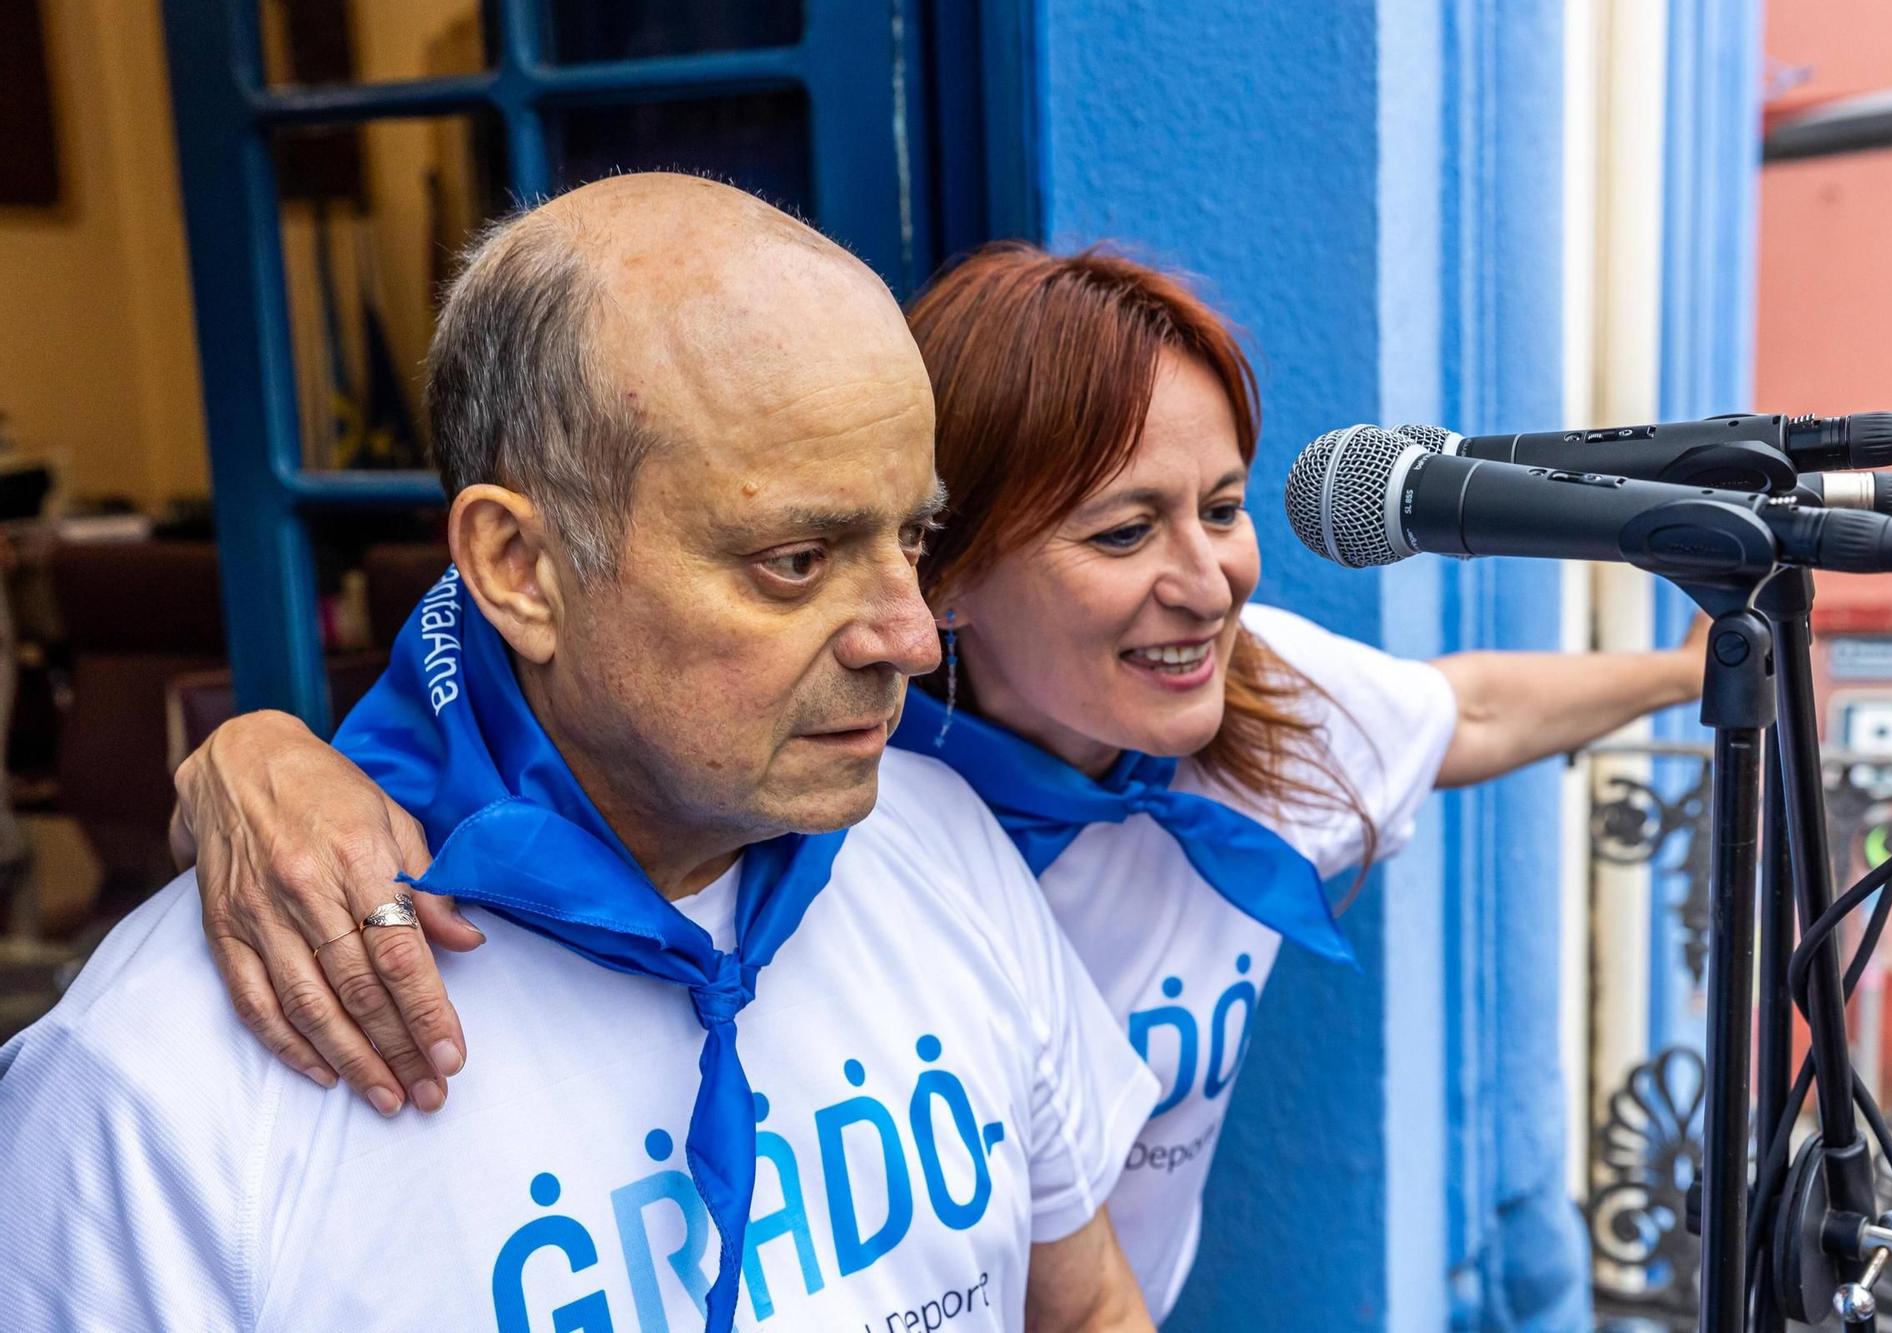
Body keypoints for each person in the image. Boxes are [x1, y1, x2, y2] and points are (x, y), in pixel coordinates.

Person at [169, 243, 1707, 1320]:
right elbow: (523, 707)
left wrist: (1708, 674)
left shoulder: (1258, 699)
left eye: (1225, 507)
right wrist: (250, 757)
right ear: (950, 573)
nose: (1206, 581)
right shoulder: (828, 771)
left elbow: (1468, 709)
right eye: (1120, 532)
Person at [0, 179, 1161, 1332]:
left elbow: (1088, 1306)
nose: (909, 638)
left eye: (910, 533)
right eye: (795, 560)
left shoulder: (935, 840)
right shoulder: (161, 1084)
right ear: (515, 566)